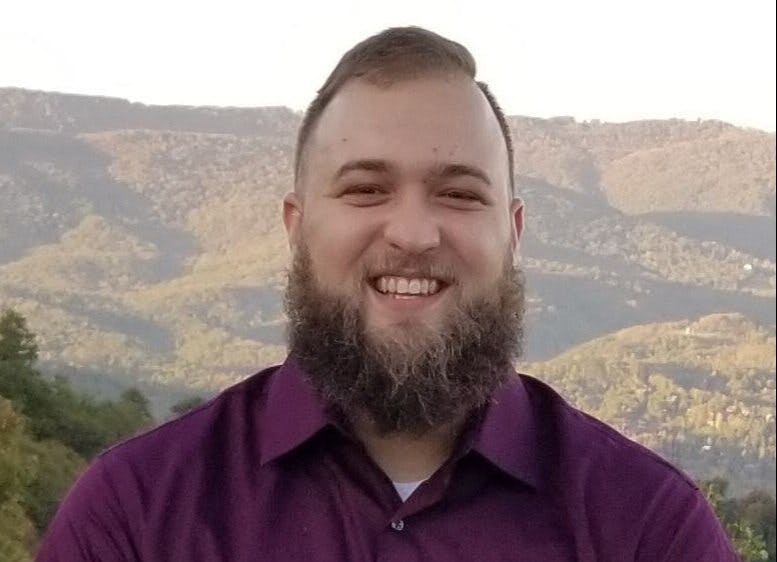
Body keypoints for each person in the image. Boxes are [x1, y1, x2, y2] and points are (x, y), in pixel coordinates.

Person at [37, 27, 739, 561]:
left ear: (513, 232)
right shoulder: (136, 513)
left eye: (459, 193)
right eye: (365, 189)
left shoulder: (647, 528)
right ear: (297, 224)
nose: (411, 232)